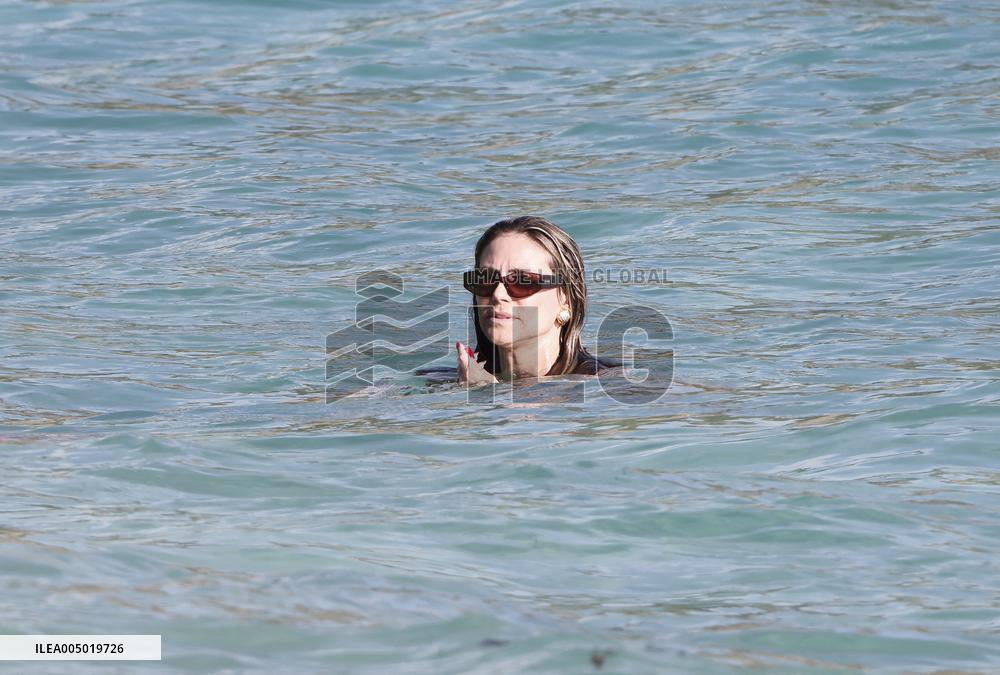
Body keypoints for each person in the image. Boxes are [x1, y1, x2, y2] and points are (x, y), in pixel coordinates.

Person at [457, 215, 618, 385]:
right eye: (485, 280)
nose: (498, 294)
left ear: (566, 300)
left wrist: (488, 393)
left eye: (522, 281)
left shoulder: (609, 384)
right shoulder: (451, 381)